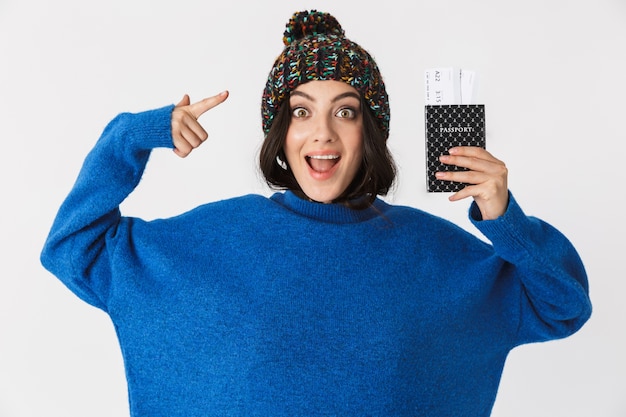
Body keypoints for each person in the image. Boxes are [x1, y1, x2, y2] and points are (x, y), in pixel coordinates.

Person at [40, 9, 591, 417]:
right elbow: (73, 246)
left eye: (345, 112)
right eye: (301, 111)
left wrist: (504, 217)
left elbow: (563, 304)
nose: (322, 133)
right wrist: (131, 137)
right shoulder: (207, 239)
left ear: (369, 132)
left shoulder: (438, 255)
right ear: (282, 135)